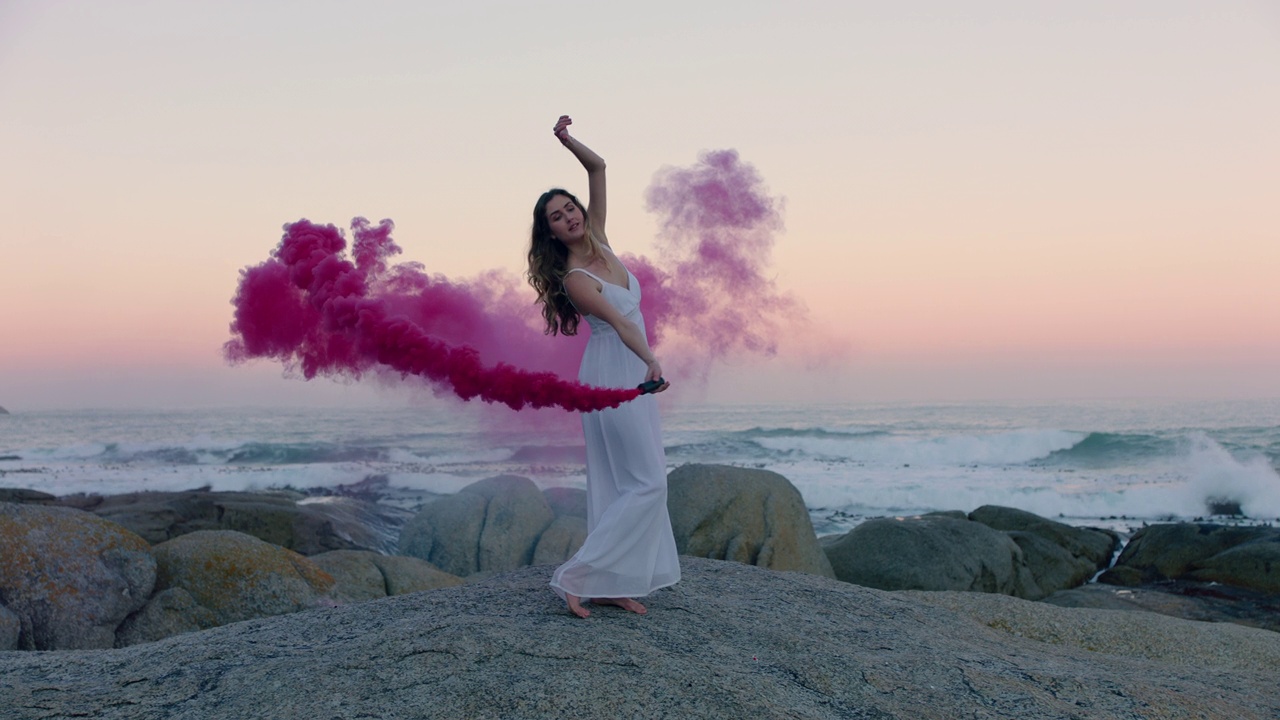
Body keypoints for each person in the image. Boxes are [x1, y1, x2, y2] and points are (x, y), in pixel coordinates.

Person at [527, 115, 681, 618]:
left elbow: (599, 167)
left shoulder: (603, 240)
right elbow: (620, 320)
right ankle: (575, 575)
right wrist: (651, 359)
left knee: (627, 482)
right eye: (556, 216)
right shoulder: (574, 277)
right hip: (615, 372)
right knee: (649, 483)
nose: (569, 216)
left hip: (630, 365)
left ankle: (609, 581)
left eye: (570, 207)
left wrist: (566, 141)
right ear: (549, 232)